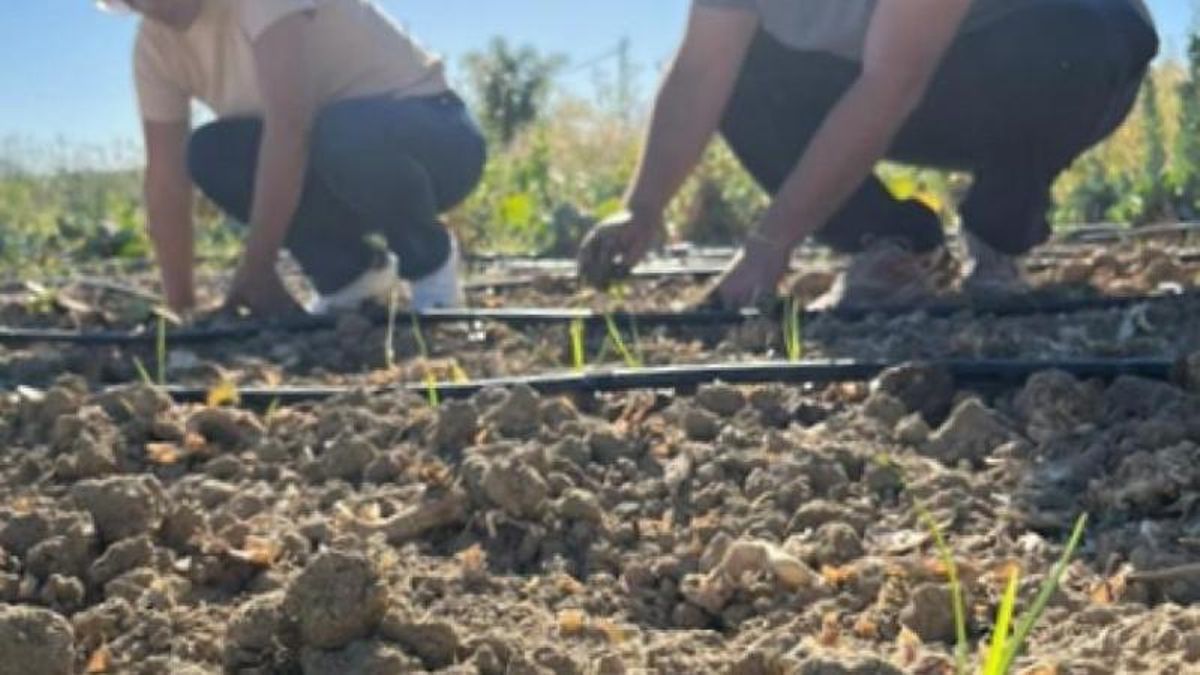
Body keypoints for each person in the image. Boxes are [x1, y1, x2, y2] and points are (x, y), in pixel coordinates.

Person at [578, 0, 1159, 310]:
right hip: (902, 74)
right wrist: (643, 206)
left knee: (1065, 43)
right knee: (746, 75)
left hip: (1057, 51)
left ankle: (999, 231)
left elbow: (893, 81)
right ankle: (892, 242)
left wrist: (769, 247)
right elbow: (702, 70)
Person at [99, 0, 485, 317]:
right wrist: (181, 307)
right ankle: (350, 276)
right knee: (211, 153)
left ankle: (429, 262)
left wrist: (257, 266)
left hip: (437, 140)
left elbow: (290, 124)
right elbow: (166, 178)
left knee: (342, 132)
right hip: (334, 163)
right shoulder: (155, 48)